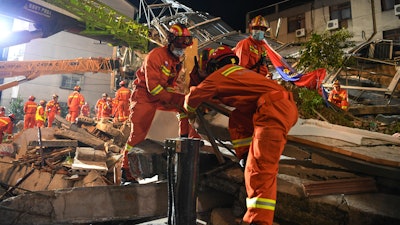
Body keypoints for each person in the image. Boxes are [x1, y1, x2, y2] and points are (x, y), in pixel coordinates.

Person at [184, 46, 298, 225]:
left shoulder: (219, 75)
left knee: (259, 171)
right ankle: (245, 155)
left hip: (272, 110)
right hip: (278, 106)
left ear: (215, 66)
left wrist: (188, 110)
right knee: (237, 118)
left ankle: (257, 221)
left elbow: (195, 96)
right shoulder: (240, 73)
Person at [121, 23, 199, 184]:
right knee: (138, 135)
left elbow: (169, 86)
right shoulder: (156, 56)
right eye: (180, 45)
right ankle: (126, 172)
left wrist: (181, 98)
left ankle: (186, 146)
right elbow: (154, 88)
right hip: (144, 97)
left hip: (160, 95)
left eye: (185, 46)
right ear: (171, 41)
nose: (182, 49)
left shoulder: (175, 60)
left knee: (185, 108)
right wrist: (176, 98)